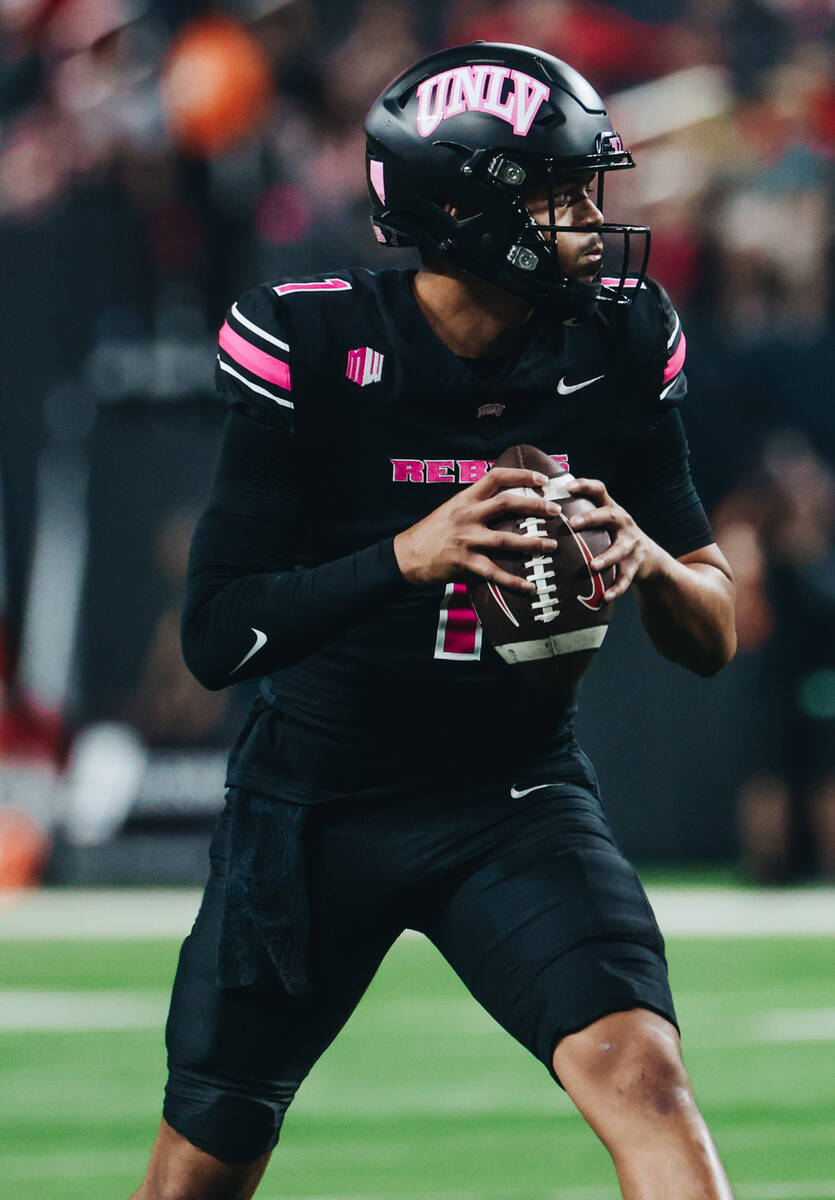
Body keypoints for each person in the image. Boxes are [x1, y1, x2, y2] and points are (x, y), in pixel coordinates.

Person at [131, 42, 736, 1200]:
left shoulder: (612, 342)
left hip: (514, 800)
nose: (588, 221)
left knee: (646, 1078)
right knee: (207, 1156)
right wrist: (406, 559)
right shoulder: (312, 345)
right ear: (466, 212)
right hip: (314, 805)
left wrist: (649, 560)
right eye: (559, 193)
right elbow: (215, 638)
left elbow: (712, 632)